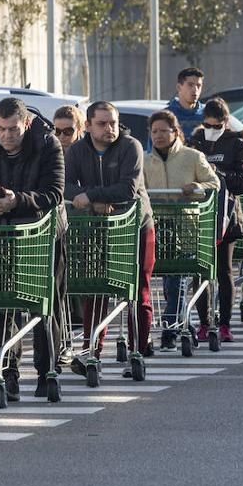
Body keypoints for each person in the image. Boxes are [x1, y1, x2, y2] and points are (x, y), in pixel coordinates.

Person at [0, 98, 66, 400]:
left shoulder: (48, 145)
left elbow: (55, 192)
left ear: (26, 123)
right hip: (1, 235)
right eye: (1, 128)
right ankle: (7, 372)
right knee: (2, 304)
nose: (6, 135)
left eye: (13, 129)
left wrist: (17, 199)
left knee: (45, 305)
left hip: (43, 234)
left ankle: (47, 372)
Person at [64, 102, 154, 373]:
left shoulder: (130, 147)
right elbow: (65, 185)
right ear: (88, 126)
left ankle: (137, 350)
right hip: (98, 229)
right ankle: (92, 351)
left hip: (136, 225)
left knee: (138, 290)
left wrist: (91, 196)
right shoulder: (78, 151)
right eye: (102, 124)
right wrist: (96, 203)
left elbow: (128, 189)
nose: (109, 128)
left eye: (113, 122)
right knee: (97, 289)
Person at [144, 110, 220, 351]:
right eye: (154, 131)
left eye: (163, 131)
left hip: (188, 228)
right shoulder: (146, 161)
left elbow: (214, 184)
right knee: (169, 280)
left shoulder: (193, 157)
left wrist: (197, 186)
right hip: (159, 228)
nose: (158, 136)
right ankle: (182, 324)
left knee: (177, 279)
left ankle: (169, 328)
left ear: (175, 132)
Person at [188, 99, 243, 343]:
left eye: (215, 125)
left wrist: (218, 175)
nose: (210, 129)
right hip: (197, 216)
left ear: (225, 123)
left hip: (227, 214)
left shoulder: (238, 144)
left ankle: (225, 323)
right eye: (207, 124)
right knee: (200, 270)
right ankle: (204, 322)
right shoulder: (195, 142)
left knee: (225, 270)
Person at [165, 68, 205, 138]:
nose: (195, 89)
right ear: (179, 87)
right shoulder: (165, 116)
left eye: (198, 86)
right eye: (190, 85)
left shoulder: (207, 113)